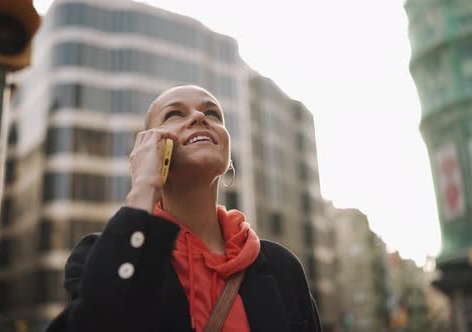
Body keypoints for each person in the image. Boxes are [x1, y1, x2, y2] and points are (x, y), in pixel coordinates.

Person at [45, 85, 322, 332]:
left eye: (212, 113)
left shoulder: (281, 266)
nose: (200, 118)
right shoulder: (99, 255)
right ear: (149, 145)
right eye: (175, 114)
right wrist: (144, 185)